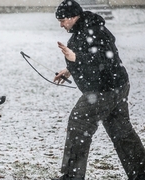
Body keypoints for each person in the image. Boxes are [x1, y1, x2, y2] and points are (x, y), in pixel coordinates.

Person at [52, 0, 145, 180]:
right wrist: (70, 69)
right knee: (121, 130)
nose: (61, 24)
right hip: (116, 86)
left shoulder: (94, 30)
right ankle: (141, 172)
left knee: (78, 124)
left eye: (63, 20)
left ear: (73, 17)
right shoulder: (83, 30)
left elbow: (105, 58)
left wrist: (76, 58)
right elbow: (92, 57)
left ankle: (72, 176)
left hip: (104, 89)